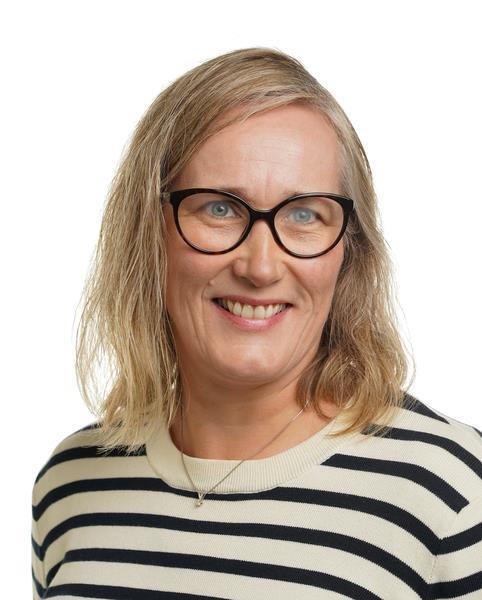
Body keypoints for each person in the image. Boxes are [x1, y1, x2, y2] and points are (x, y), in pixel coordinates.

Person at [31, 47, 482, 599]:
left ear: (348, 250)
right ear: (149, 232)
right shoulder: (70, 484)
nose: (261, 267)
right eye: (219, 208)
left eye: (304, 214)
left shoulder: (453, 490)